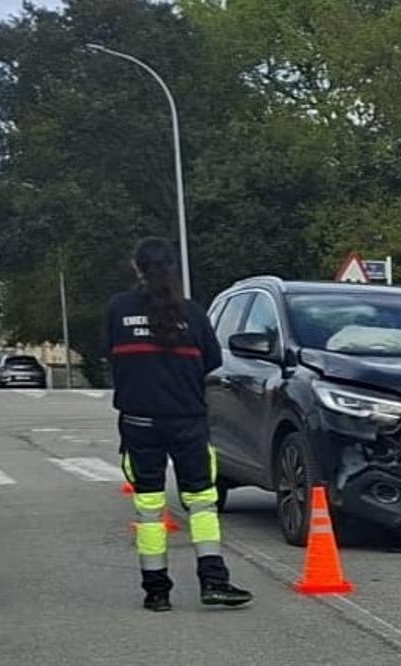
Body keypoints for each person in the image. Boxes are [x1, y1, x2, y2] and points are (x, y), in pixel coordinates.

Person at [105, 238, 252, 612]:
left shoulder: (118, 309)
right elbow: (212, 363)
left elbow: (110, 356)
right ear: (173, 269)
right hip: (187, 422)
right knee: (202, 503)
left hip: (139, 423)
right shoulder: (193, 313)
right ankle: (214, 581)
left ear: (136, 268)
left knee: (150, 509)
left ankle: (156, 592)